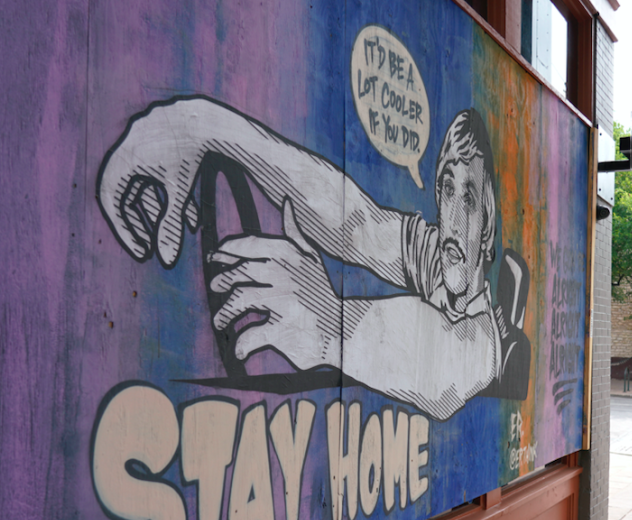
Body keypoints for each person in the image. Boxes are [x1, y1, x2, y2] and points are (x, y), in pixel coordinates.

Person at [96, 96, 530, 420]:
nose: (451, 216)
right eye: (446, 190)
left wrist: (327, 323)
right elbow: (355, 222)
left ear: (489, 223)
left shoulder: (486, 338)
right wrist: (207, 127)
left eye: (468, 197)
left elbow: (444, 369)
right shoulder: (436, 255)